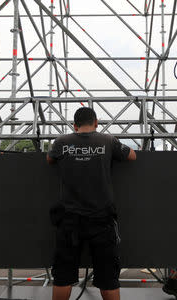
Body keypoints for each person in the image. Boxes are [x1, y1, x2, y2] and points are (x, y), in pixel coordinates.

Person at [47, 107, 136, 300]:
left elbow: (50, 159)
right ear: (96, 123)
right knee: (108, 278)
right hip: (102, 220)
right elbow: (132, 156)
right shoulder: (107, 141)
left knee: (62, 276)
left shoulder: (61, 142)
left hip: (69, 220)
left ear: (74, 125)